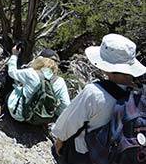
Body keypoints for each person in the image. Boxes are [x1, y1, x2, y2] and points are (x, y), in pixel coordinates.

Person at [51, 33, 146, 164]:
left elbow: (70, 123)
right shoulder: (141, 93)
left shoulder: (94, 93)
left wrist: (59, 141)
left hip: (88, 154)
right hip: (124, 155)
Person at [6, 44, 71, 123]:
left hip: (19, 115)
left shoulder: (31, 73)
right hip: (40, 120)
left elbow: (11, 72)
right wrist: (53, 115)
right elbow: (66, 104)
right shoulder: (60, 81)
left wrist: (14, 55)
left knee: (10, 81)